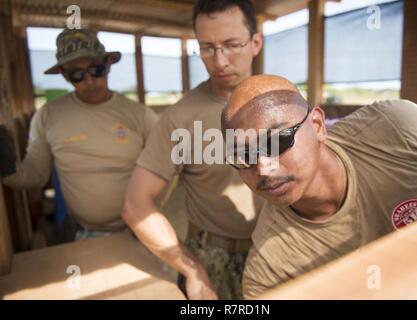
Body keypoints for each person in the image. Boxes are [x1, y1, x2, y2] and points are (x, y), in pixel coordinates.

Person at [221, 74, 417, 298]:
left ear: (318, 125)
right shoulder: (271, 269)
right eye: (244, 155)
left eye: (278, 141)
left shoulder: (395, 130)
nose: (264, 168)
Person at [121, 0, 263, 300]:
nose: (220, 60)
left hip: (275, 247)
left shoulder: (281, 102)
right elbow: (135, 205)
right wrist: (192, 269)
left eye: (231, 44)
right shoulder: (179, 119)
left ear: (255, 43)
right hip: (212, 258)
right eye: (207, 47)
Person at [0, 29, 158, 240]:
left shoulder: (140, 115)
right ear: (65, 75)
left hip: (140, 229)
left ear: (108, 65)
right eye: (77, 74)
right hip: (80, 232)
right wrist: (8, 171)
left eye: (96, 70)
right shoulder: (48, 116)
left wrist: (150, 210)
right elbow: (35, 175)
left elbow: (165, 168)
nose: (89, 81)